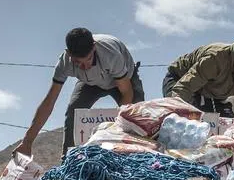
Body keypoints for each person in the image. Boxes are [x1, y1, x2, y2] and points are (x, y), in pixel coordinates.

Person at [17, 28, 144, 158]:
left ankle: (138, 157)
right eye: (78, 62)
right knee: (74, 109)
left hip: (122, 80)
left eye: (88, 59)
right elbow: (49, 102)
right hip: (90, 83)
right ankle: (69, 159)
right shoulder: (64, 63)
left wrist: (113, 129)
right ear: (69, 53)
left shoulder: (111, 54)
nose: (85, 67)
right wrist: (27, 142)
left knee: (136, 115)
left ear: (94, 48)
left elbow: (126, 93)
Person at [162, 39, 234, 126]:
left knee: (227, 128)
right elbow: (184, 88)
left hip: (211, 93)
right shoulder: (216, 58)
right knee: (189, 123)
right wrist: (179, 117)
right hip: (181, 80)